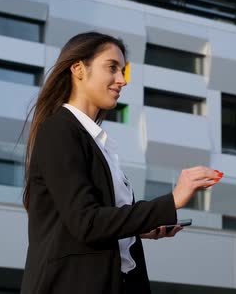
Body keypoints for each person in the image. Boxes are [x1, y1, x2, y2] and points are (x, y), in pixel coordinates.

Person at [20, 32, 223, 294]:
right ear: (79, 69)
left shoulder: (99, 143)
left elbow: (101, 220)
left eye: (123, 70)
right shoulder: (59, 130)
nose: (122, 80)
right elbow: (87, 222)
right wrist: (172, 201)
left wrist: (142, 227)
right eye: (112, 68)